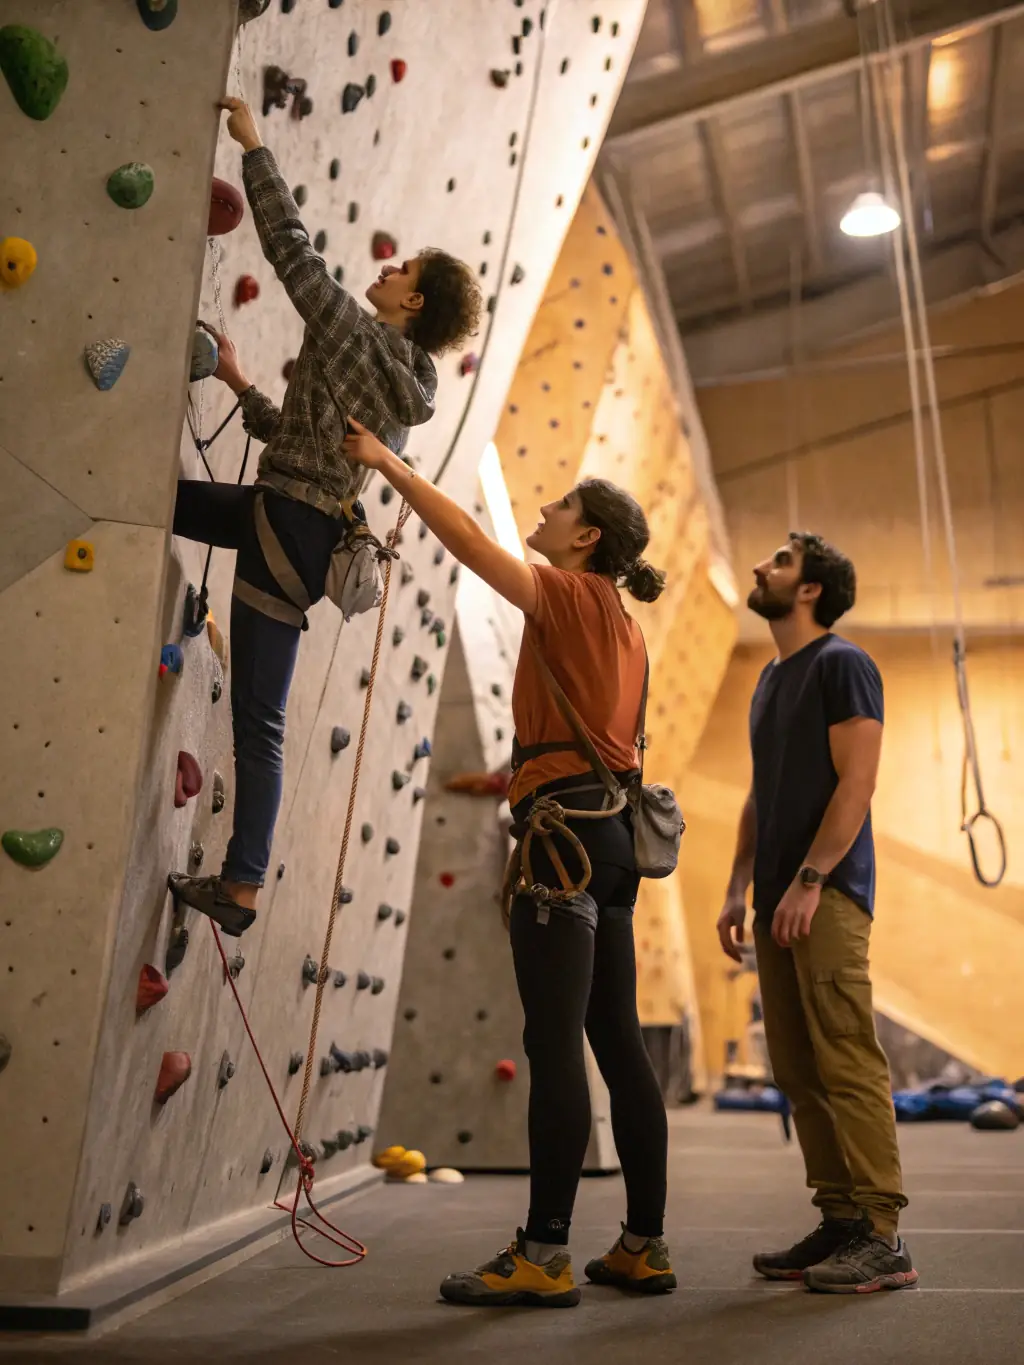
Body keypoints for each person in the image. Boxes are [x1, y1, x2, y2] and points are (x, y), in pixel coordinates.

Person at [343, 420, 675, 1307]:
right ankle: (643, 1243)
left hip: (559, 844)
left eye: (561, 504)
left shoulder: (568, 595)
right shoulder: (631, 631)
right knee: (618, 1044)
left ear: (587, 537)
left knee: (553, 1042)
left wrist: (386, 462)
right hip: (608, 850)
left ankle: (545, 1250)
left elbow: (467, 543)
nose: (543, 507)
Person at [167, 97, 481, 936]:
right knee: (157, 501)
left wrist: (255, 146)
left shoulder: (363, 337)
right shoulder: (395, 383)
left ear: (412, 305)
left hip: (287, 532)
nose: (386, 268)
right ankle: (239, 882)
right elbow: (303, 440)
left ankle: (241, 889)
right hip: (291, 519)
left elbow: (292, 255)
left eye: (401, 270)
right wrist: (238, 385)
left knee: (259, 722)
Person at [716, 532, 916, 1294]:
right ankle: (839, 1217)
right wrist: (739, 885)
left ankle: (884, 1233)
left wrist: (808, 879)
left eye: (780, 561)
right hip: (776, 896)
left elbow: (856, 784)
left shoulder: (843, 664)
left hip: (824, 894)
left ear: (810, 590)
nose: (762, 567)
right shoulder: (771, 678)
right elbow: (761, 792)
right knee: (799, 1068)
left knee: (846, 1056)